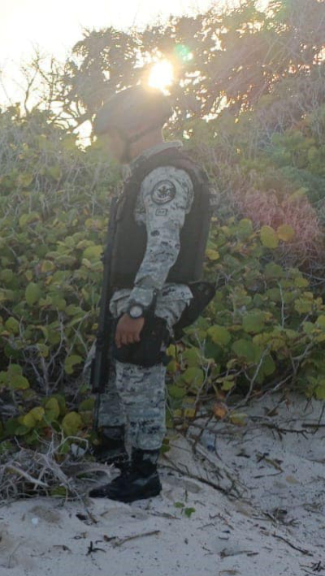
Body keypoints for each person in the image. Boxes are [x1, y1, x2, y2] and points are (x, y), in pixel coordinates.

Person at [87, 86, 213, 504]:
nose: (108, 144)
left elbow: (164, 247)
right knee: (110, 367)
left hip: (157, 294)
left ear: (136, 127)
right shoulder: (147, 172)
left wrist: (139, 308)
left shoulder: (165, 176)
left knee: (140, 370)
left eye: (112, 134)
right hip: (136, 292)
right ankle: (114, 453)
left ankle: (142, 474)